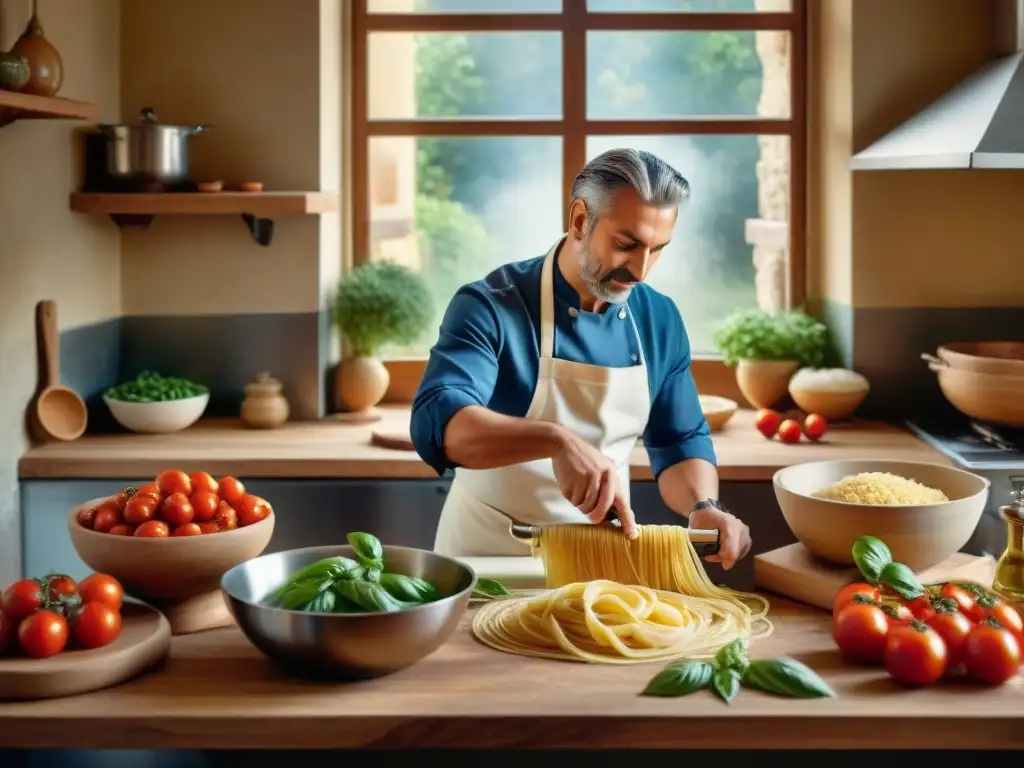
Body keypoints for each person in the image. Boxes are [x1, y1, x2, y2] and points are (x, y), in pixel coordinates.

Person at [410, 148, 752, 569]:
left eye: (658, 249)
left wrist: (704, 504)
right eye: (627, 245)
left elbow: (678, 440)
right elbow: (440, 425)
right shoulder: (491, 306)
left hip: (599, 563)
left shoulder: (659, 320)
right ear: (579, 220)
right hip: (486, 560)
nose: (641, 270)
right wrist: (557, 439)